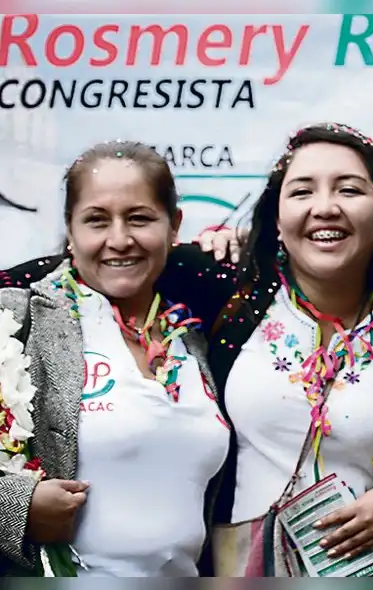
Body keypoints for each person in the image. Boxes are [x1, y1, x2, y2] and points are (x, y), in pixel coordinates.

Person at [158, 124, 373, 575]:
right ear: (278, 221)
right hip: (236, 563)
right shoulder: (226, 291)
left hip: (367, 568)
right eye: (302, 191)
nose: (325, 208)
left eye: (349, 189)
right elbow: (102, 264)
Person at [0, 141, 230, 576]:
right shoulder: (16, 319)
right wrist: (17, 507)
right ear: (70, 230)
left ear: (174, 225)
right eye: (96, 220)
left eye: (140, 218)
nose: (119, 240)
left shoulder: (196, 336)